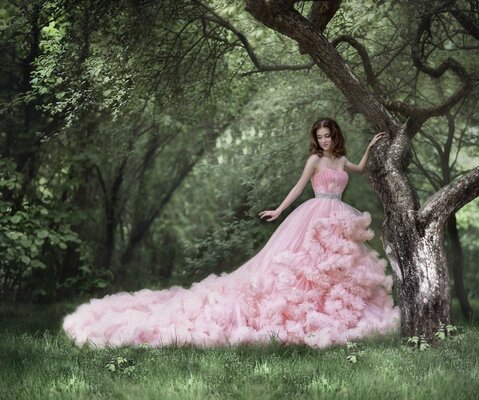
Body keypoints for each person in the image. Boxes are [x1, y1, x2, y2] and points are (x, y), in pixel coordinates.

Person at [62, 118, 400, 349]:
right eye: (320, 136)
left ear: (335, 137)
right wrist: (279, 210)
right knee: (302, 268)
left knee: (336, 272)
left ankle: (334, 315)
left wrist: (370, 146)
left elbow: (357, 169)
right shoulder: (314, 161)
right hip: (313, 216)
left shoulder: (340, 160)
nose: (324, 140)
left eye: (328, 135)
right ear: (316, 139)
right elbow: (299, 187)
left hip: (339, 219)